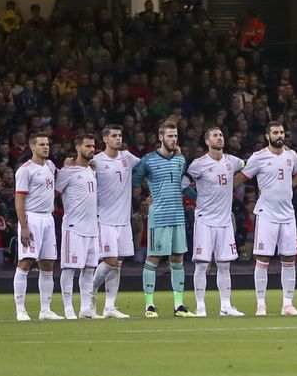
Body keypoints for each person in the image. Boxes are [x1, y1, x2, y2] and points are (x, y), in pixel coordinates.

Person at [131, 122, 195, 318]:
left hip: (178, 215)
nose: (174, 139)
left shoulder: (180, 160)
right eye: (170, 136)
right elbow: (133, 183)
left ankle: (179, 305)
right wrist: (143, 200)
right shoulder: (148, 160)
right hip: (159, 216)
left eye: (175, 136)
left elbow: (182, 184)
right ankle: (149, 306)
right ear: (160, 138)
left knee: (177, 259)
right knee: (154, 258)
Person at [243, 121, 297, 316]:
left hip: (287, 214)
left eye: (282, 132)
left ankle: (288, 304)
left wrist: (288, 188)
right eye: (275, 132)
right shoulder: (258, 157)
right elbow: (242, 177)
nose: (280, 135)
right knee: (263, 258)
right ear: (267, 136)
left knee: (289, 258)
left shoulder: (291, 155)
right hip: (267, 213)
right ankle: (261, 304)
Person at [187, 128, 245, 317]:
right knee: (202, 265)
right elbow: (183, 183)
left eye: (221, 135)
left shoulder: (233, 162)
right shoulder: (199, 164)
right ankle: (201, 306)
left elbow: (249, 165)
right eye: (215, 135)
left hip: (225, 220)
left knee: (224, 265)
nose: (219, 138)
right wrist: (197, 198)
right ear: (206, 141)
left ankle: (225, 306)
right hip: (205, 220)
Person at [89, 125, 139, 318]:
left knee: (117, 263)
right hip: (104, 219)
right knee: (109, 261)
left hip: (123, 220)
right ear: (105, 139)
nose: (118, 139)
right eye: (114, 136)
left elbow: (146, 165)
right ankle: (90, 292)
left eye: (120, 135)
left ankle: (110, 306)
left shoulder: (128, 158)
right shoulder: (96, 161)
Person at [13, 133, 61, 321]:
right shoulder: (25, 170)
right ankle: (20, 310)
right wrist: (24, 226)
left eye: (47, 144)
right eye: (41, 144)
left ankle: (45, 310)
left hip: (48, 218)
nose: (46, 147)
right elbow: (19, 200)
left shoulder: (50, 166)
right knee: (25, 262)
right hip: (31, 218)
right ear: (32, 147)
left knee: (48, 264)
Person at [56, 134, 103, 320]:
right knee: (69, 269)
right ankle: (68, 309)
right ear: (78, 148)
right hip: (73, 227)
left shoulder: (92, 170)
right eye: (87, 146)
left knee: (89, 270)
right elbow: (53, 192)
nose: (91, 149)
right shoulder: (67, 171)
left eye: (93, 146)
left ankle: (85, 309)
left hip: (92, 228)